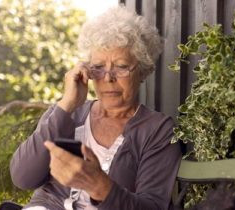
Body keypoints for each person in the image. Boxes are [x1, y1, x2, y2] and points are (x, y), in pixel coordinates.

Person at [10, 5, 182, 210]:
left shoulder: (158, 130)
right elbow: (23, 177)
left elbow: (151, 206)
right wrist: (66, 104)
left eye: (121, 66)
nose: (108, 78)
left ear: (142, 70)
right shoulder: (69, 113)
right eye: (98, 67)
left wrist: (99, 186)